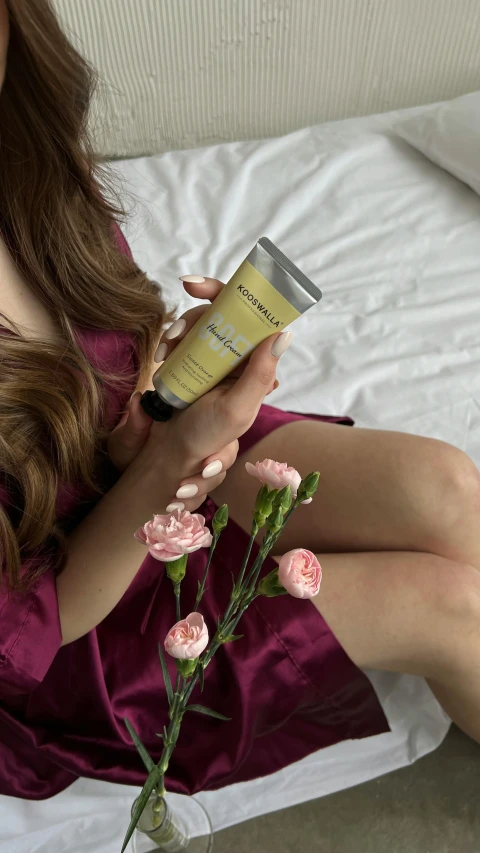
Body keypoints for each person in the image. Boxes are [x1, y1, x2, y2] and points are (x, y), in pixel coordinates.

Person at [0, 0, 479, 803]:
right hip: (81, 613)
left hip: (151, 456)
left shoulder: (27, 155)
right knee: (449, 604)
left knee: (448, 486)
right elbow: (36, 626)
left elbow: (117, 350)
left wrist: (169, 377)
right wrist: (172, 463)